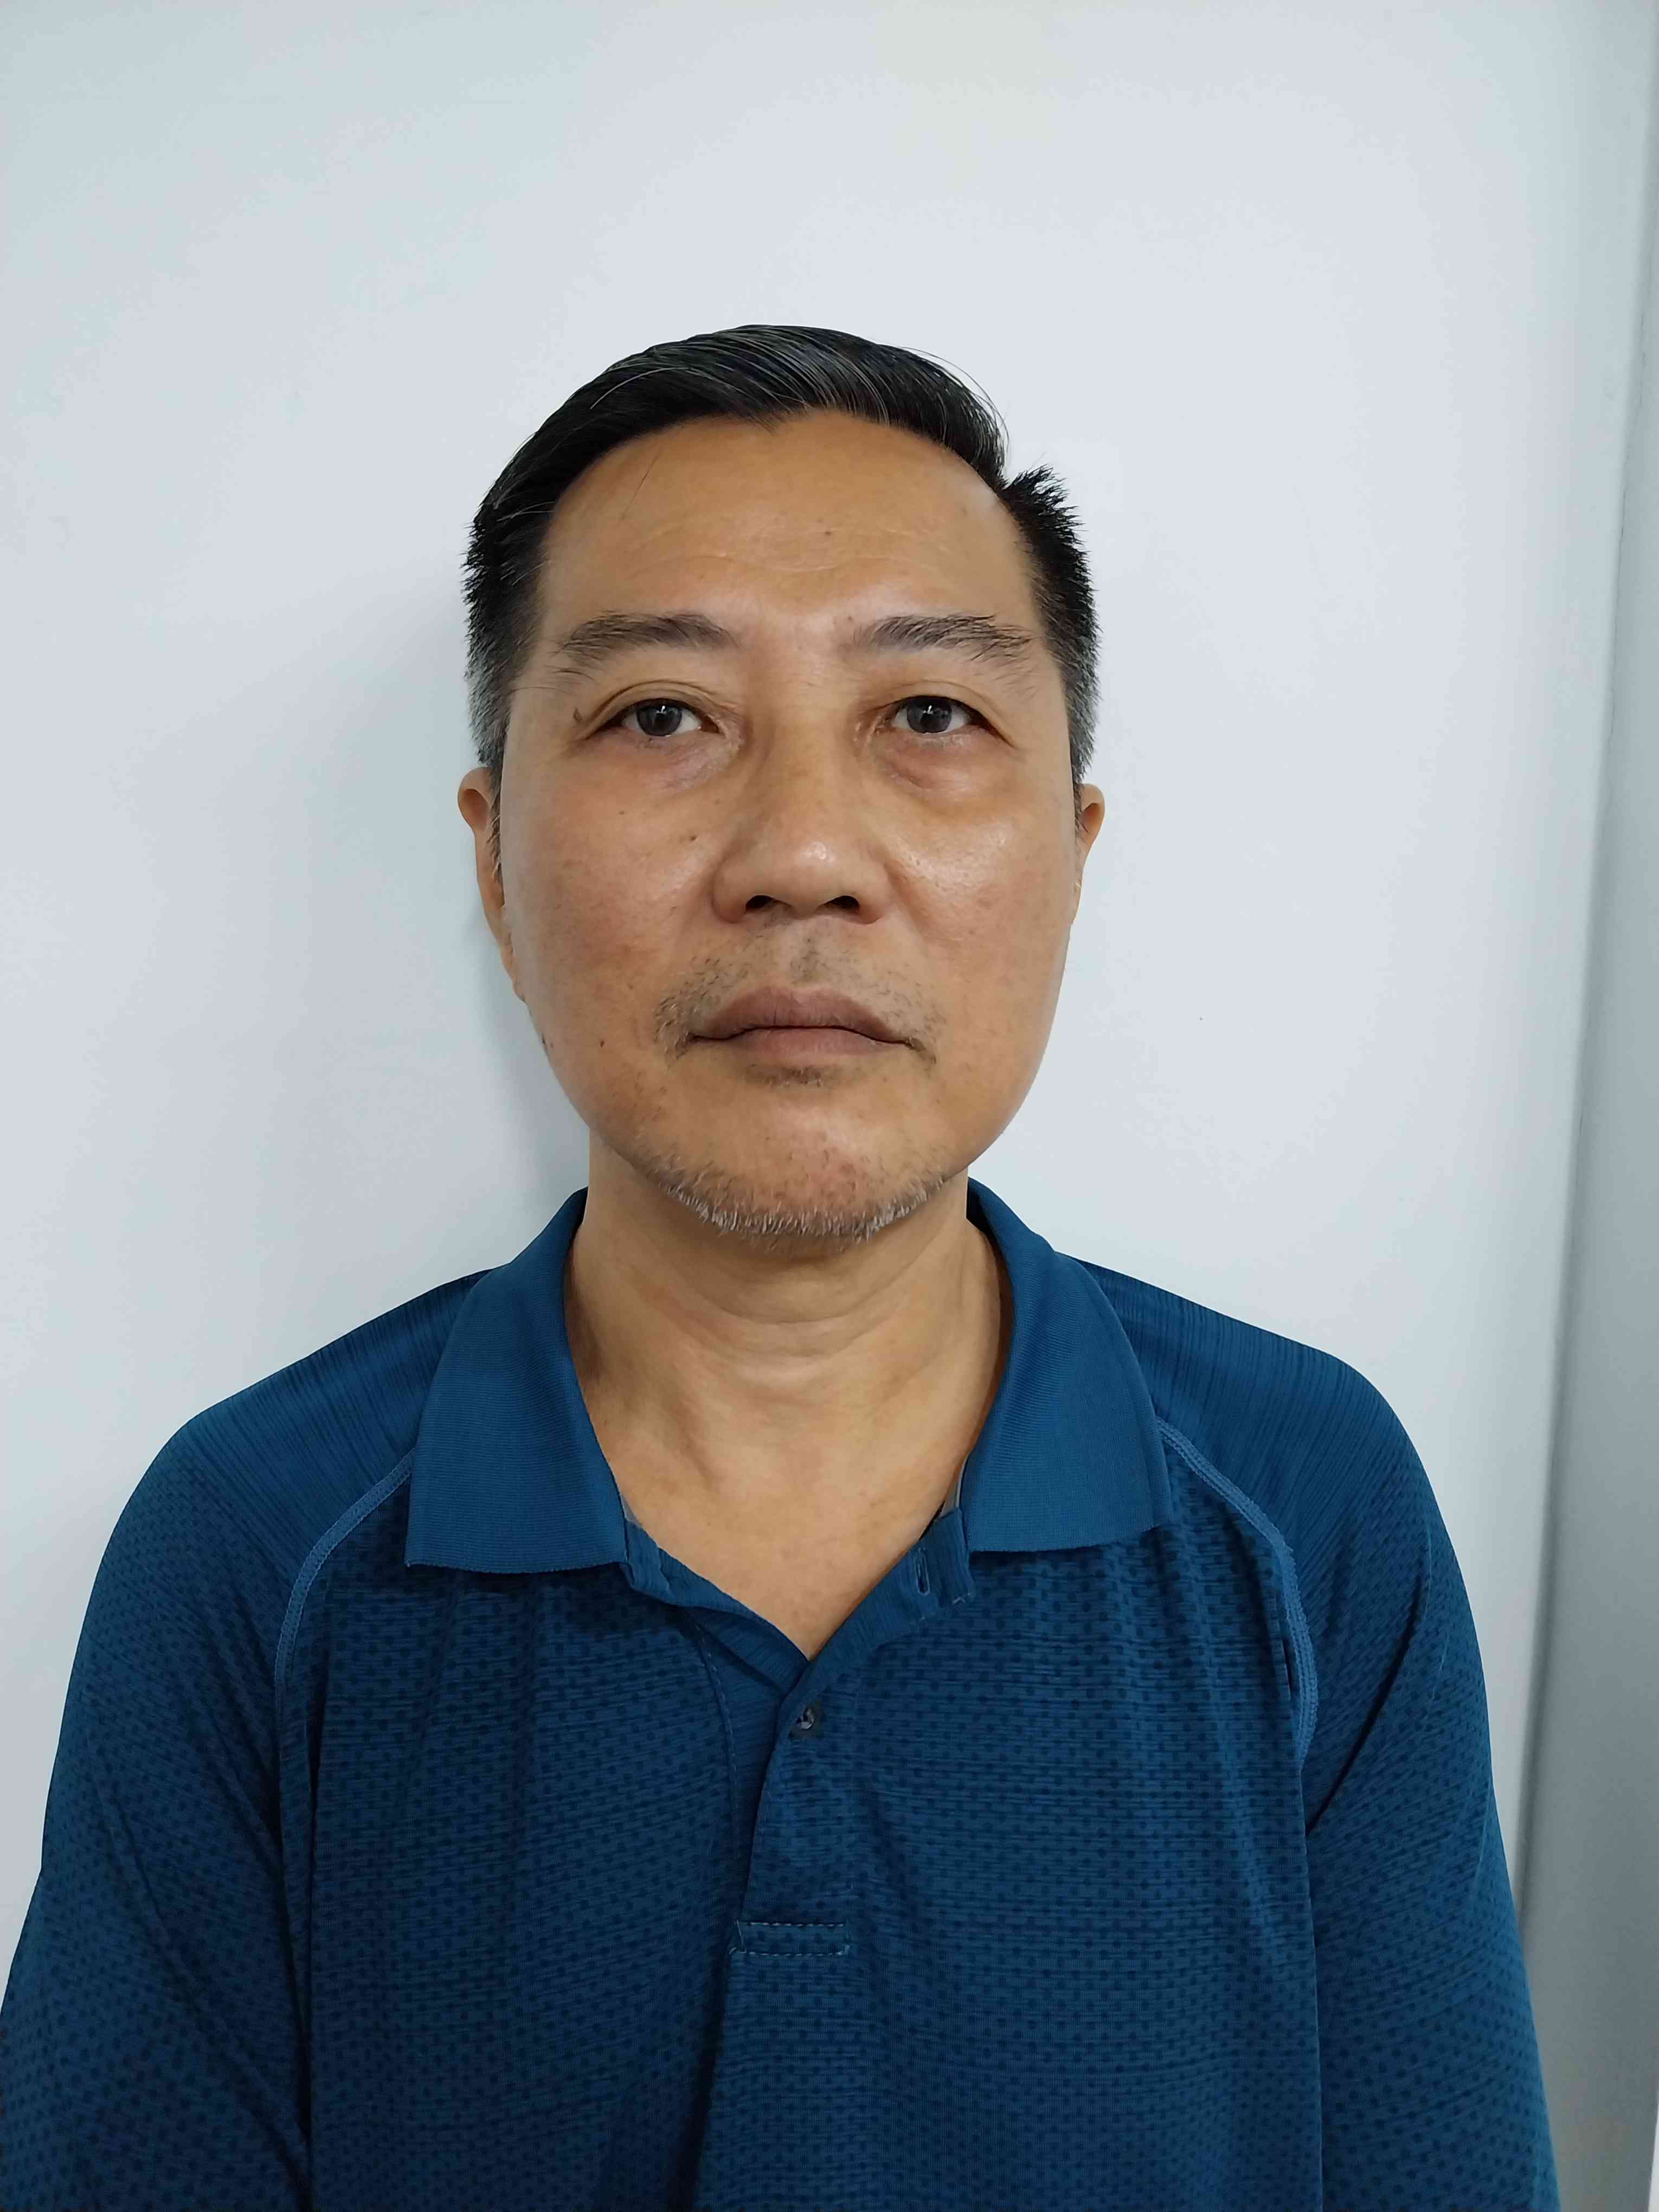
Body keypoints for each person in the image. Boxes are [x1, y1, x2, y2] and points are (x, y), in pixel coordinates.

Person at [0, 324, 1559, 2210]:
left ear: (1072, 852)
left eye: (930, 716)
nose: (803, 853)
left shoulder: (1307, 1508)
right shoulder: (258, 1544)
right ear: (492, 863)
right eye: (662, 716)